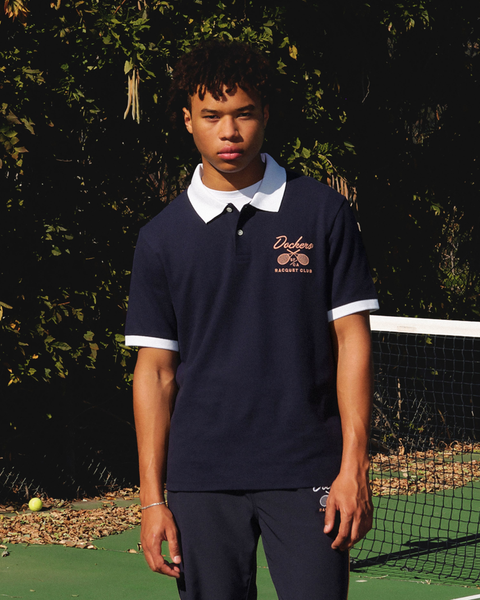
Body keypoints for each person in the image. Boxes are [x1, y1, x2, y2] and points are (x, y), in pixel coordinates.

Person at [125, 39, 379, 600]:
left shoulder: (322, 212)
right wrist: (151, 499)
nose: (229, 132)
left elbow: (352, 341)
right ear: (187, 120)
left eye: (244, 114)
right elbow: (155, 372)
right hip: (200, 481)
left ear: (266, 115)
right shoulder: (161, 238)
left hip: (308, 470)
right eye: (211, 116)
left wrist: (354, 467)